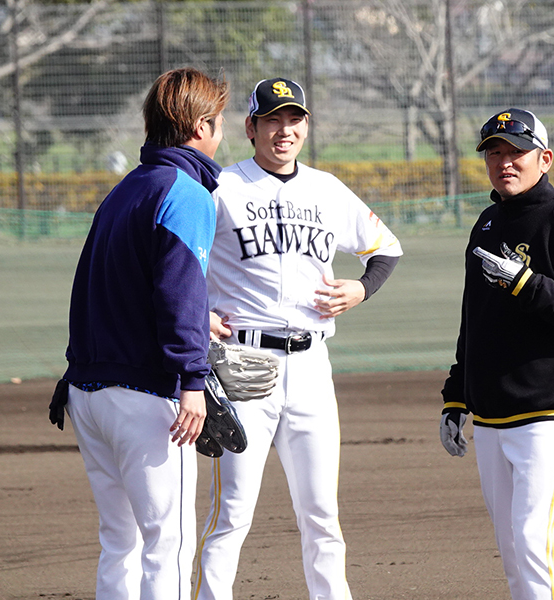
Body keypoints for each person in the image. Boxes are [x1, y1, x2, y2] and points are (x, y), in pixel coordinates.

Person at [192, 77, 403, 600]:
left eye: (294, 119)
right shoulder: (221, 188)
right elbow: (176, 264)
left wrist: (361, 287)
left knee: (321, 513)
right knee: (232, 512)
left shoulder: (327, 189)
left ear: (305, 126)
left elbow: (386, 248)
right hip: (242, 363)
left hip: (311, 367)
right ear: (251, 127)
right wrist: (196, 315)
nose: (284, 130)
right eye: (272, 120)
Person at [55, 67, 229, 600]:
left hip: (89, 392)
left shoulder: (125, 189)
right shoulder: (186, 192)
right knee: (167, 545)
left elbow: (114, 289)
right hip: (147, 398)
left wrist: (199, 322)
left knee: (120, 543)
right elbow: (177, 292)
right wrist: (193, 381)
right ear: (200, 126)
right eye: (218, 121)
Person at [439, 108, 554, 600]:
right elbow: (473, 318)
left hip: (551, 407)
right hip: (493, 412)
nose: (505, 162)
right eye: (495, 152)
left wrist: (527, 284)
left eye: (517, 151)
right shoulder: (488, 221)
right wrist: (457, 394)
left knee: (536, 540)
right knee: (513, 548)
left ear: (546, 158)